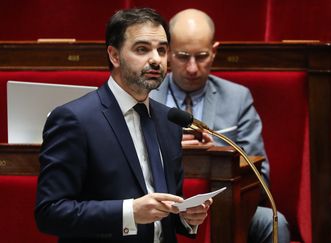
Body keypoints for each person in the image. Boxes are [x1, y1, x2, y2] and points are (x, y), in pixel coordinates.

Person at [35, 8, 211, 243]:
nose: (156, 59)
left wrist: (186, 216)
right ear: (114, 56)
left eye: (161, 50)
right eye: (142, 49)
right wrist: (129, 213)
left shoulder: (169, 120)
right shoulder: (74, 119)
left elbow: (168, 204)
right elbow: (50, 213)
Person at [150, 9, 291, 243]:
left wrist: (216, 152)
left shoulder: (238, 98)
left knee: (274, 222)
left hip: (223, 206)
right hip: (161, 206)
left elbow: (261, 177)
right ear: (168, 53)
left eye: (202, 56)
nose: (192, 68)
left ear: (214, 52)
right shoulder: (146, 97)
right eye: (183, 56)